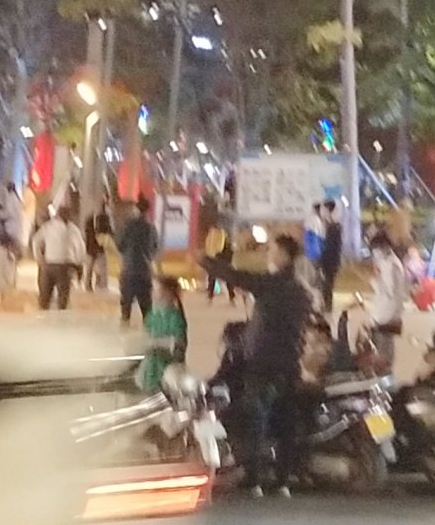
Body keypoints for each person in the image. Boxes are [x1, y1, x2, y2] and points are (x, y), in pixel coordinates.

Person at [210, 231, 313, 495]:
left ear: (284, 255)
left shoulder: (273, 284)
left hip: (264, 363)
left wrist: (205, 261)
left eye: (273, 250)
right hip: (290, 363)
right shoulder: (302, 290)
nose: (269, 254)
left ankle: (254, 479)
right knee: (287, 424)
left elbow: (237, 276)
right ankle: (283, 481)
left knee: (257, 420)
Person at [362, 226, 408, 368]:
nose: (374, 253)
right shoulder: (391, 262)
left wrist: (373, 279)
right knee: (386, 349)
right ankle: (386, 374)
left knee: (382, 352)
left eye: (375, 249)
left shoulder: (389, 264)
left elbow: (389, 291)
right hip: (390, 312)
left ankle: (384, 375)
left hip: (386, 314)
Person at [138, 274, 191, 393]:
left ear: (168, 294)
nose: (152, 293)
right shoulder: (152, 314)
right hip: (151, 368)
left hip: (167, 370)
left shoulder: (174, 317)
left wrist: (156, 343)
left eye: (157, 290)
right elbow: (145, 333)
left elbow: (178, 344)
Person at [116, 196, 158, 327]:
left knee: (125, 309)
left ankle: (124, 330)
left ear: (136, 208)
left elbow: (120, 245)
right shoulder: (151, 228)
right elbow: (155, 249)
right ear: (148, 210)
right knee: (147, 310)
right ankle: (148, 333)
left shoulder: (128, 226)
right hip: (144, 272)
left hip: (128, 271)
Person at [34, 201, 84, 311]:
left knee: (44, 300)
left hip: (49, 265)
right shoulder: (73, 229)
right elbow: (80, 248)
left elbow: (36, 241)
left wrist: (39, 259)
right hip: (64, 267)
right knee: (62, 301)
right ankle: (60, 319)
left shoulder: (48, 226)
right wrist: (79, 263)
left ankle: (44, 318)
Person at [314, 198, 344, 304]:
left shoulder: (333, 226)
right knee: (325, 282)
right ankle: (326, 303)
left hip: (329, 258)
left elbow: (333, 244)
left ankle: (326, 303)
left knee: (326, 282)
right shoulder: (332, 225)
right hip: (329, 258)